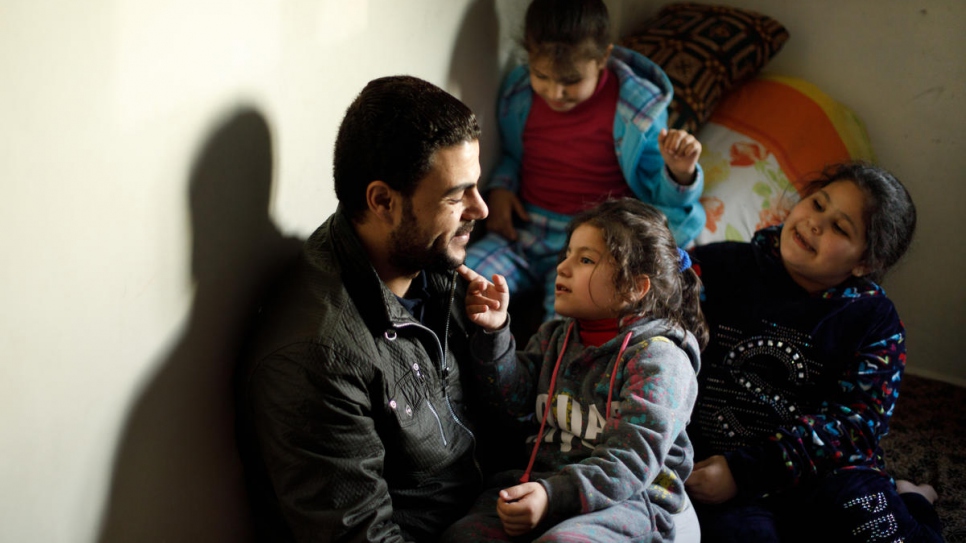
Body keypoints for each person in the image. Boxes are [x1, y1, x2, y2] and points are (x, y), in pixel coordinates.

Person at [234, 75, 492, 542]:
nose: (481, 209)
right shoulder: (318, 357)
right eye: (456, 195)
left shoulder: (429, 261)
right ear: (382, 201)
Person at [686, 162, 944, 542]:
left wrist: (749, 471)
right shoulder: (719, 266)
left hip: (821, 477)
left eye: (840, 227)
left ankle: (914, 500)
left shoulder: (874, 318)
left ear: (865, 263)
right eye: (817, 204)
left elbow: (856, 427)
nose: (815, 222)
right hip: (717, 467)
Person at [442, 198, 708, 542]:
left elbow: (633, 459)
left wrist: (554, 496)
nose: (562, 267)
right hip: (540, 484)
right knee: (463, 536)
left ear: (634, 287)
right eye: (567, 254)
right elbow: (513, 403)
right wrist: (495, 333)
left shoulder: (660, 360)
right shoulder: (555, 337)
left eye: (585, 259)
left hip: (631, 502)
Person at [465, 0, 705, 322]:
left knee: (569, 326)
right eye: (543, 76)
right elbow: (512, 155)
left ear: (603, 57)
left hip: (592, 244)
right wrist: (501, 188)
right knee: (461, 283)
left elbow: (654, 190)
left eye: (571, 81)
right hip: (524, 231)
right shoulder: (519, 93)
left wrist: (680, 171)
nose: (555, 92)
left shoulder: (635, 112)